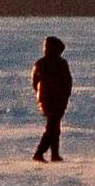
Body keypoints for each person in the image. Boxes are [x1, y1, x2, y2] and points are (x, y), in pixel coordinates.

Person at [29, 34, 73, 163]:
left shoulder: (42, 63)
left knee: (55, 127)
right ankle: (39, 152)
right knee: (52, 127)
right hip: (53, 100)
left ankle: (55, 154)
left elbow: (34, 82)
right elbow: (67, 81)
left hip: (52, 99)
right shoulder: (57, 63)